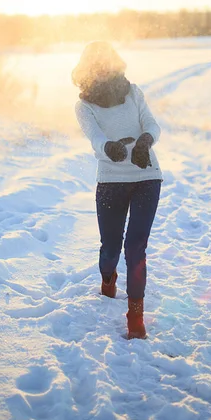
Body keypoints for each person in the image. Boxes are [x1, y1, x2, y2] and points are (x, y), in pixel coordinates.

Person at [72, 41, 162, 339]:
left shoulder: (133, 93)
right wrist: (108, 147)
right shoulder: (84, 105)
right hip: (111, 180)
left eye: (107, 62)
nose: (103, 68)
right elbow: (95, 136)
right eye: (96, 64)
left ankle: (135, 316)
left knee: (135, 248)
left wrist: (146, 140)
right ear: (88, 69)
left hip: (146, 175)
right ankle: (107, 279)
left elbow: (151, 123)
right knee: (110, 248)